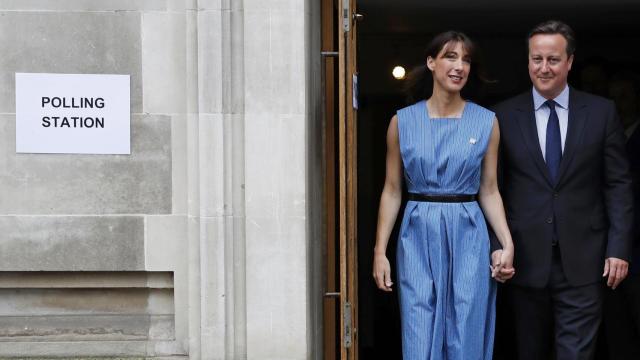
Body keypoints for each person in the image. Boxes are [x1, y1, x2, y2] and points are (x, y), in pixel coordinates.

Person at [493, 20, 634, 360]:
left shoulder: (601, 112)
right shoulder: (502, 115)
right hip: (523, 261)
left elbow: (618, 183)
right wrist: (498, 247)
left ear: (570, 61)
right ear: (528, 61)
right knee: (529, 351)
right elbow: (492, 188)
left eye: (553, 59)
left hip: (586, 260)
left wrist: (619, 248)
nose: (544, 68)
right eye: (536, 59)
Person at [372, 31, 515, 359]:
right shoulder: (402, 122)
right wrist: (380, 251)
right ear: (431, 62)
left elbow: (489, 189)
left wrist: (507, 242)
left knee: (466, 325)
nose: (459, 66)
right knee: (418, 325)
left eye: (466, 59)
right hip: (417, 231)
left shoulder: (486, 121)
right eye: (451, 56)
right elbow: (392, 190)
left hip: (469, 231)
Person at [599, 73, 640, 359]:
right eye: (613, 97)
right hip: (604, 251)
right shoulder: (601, 138)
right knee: (615, 329)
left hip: (637, 249)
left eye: (625, 96)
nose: (618, 104)